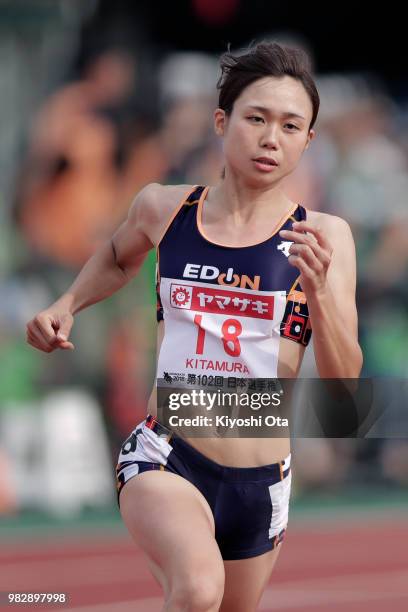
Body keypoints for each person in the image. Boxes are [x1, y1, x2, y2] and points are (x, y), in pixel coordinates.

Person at [26, 41, 363, 612]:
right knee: (198, 589)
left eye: (290, 125)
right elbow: (116, 256)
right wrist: (68, 302)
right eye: (255, 118)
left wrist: (323, 294)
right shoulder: (165, 208)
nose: (270, 138)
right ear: (221, 121)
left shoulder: (326, 237)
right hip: (169, 454)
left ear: (308, 140)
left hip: (261, 481)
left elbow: (343, 392)